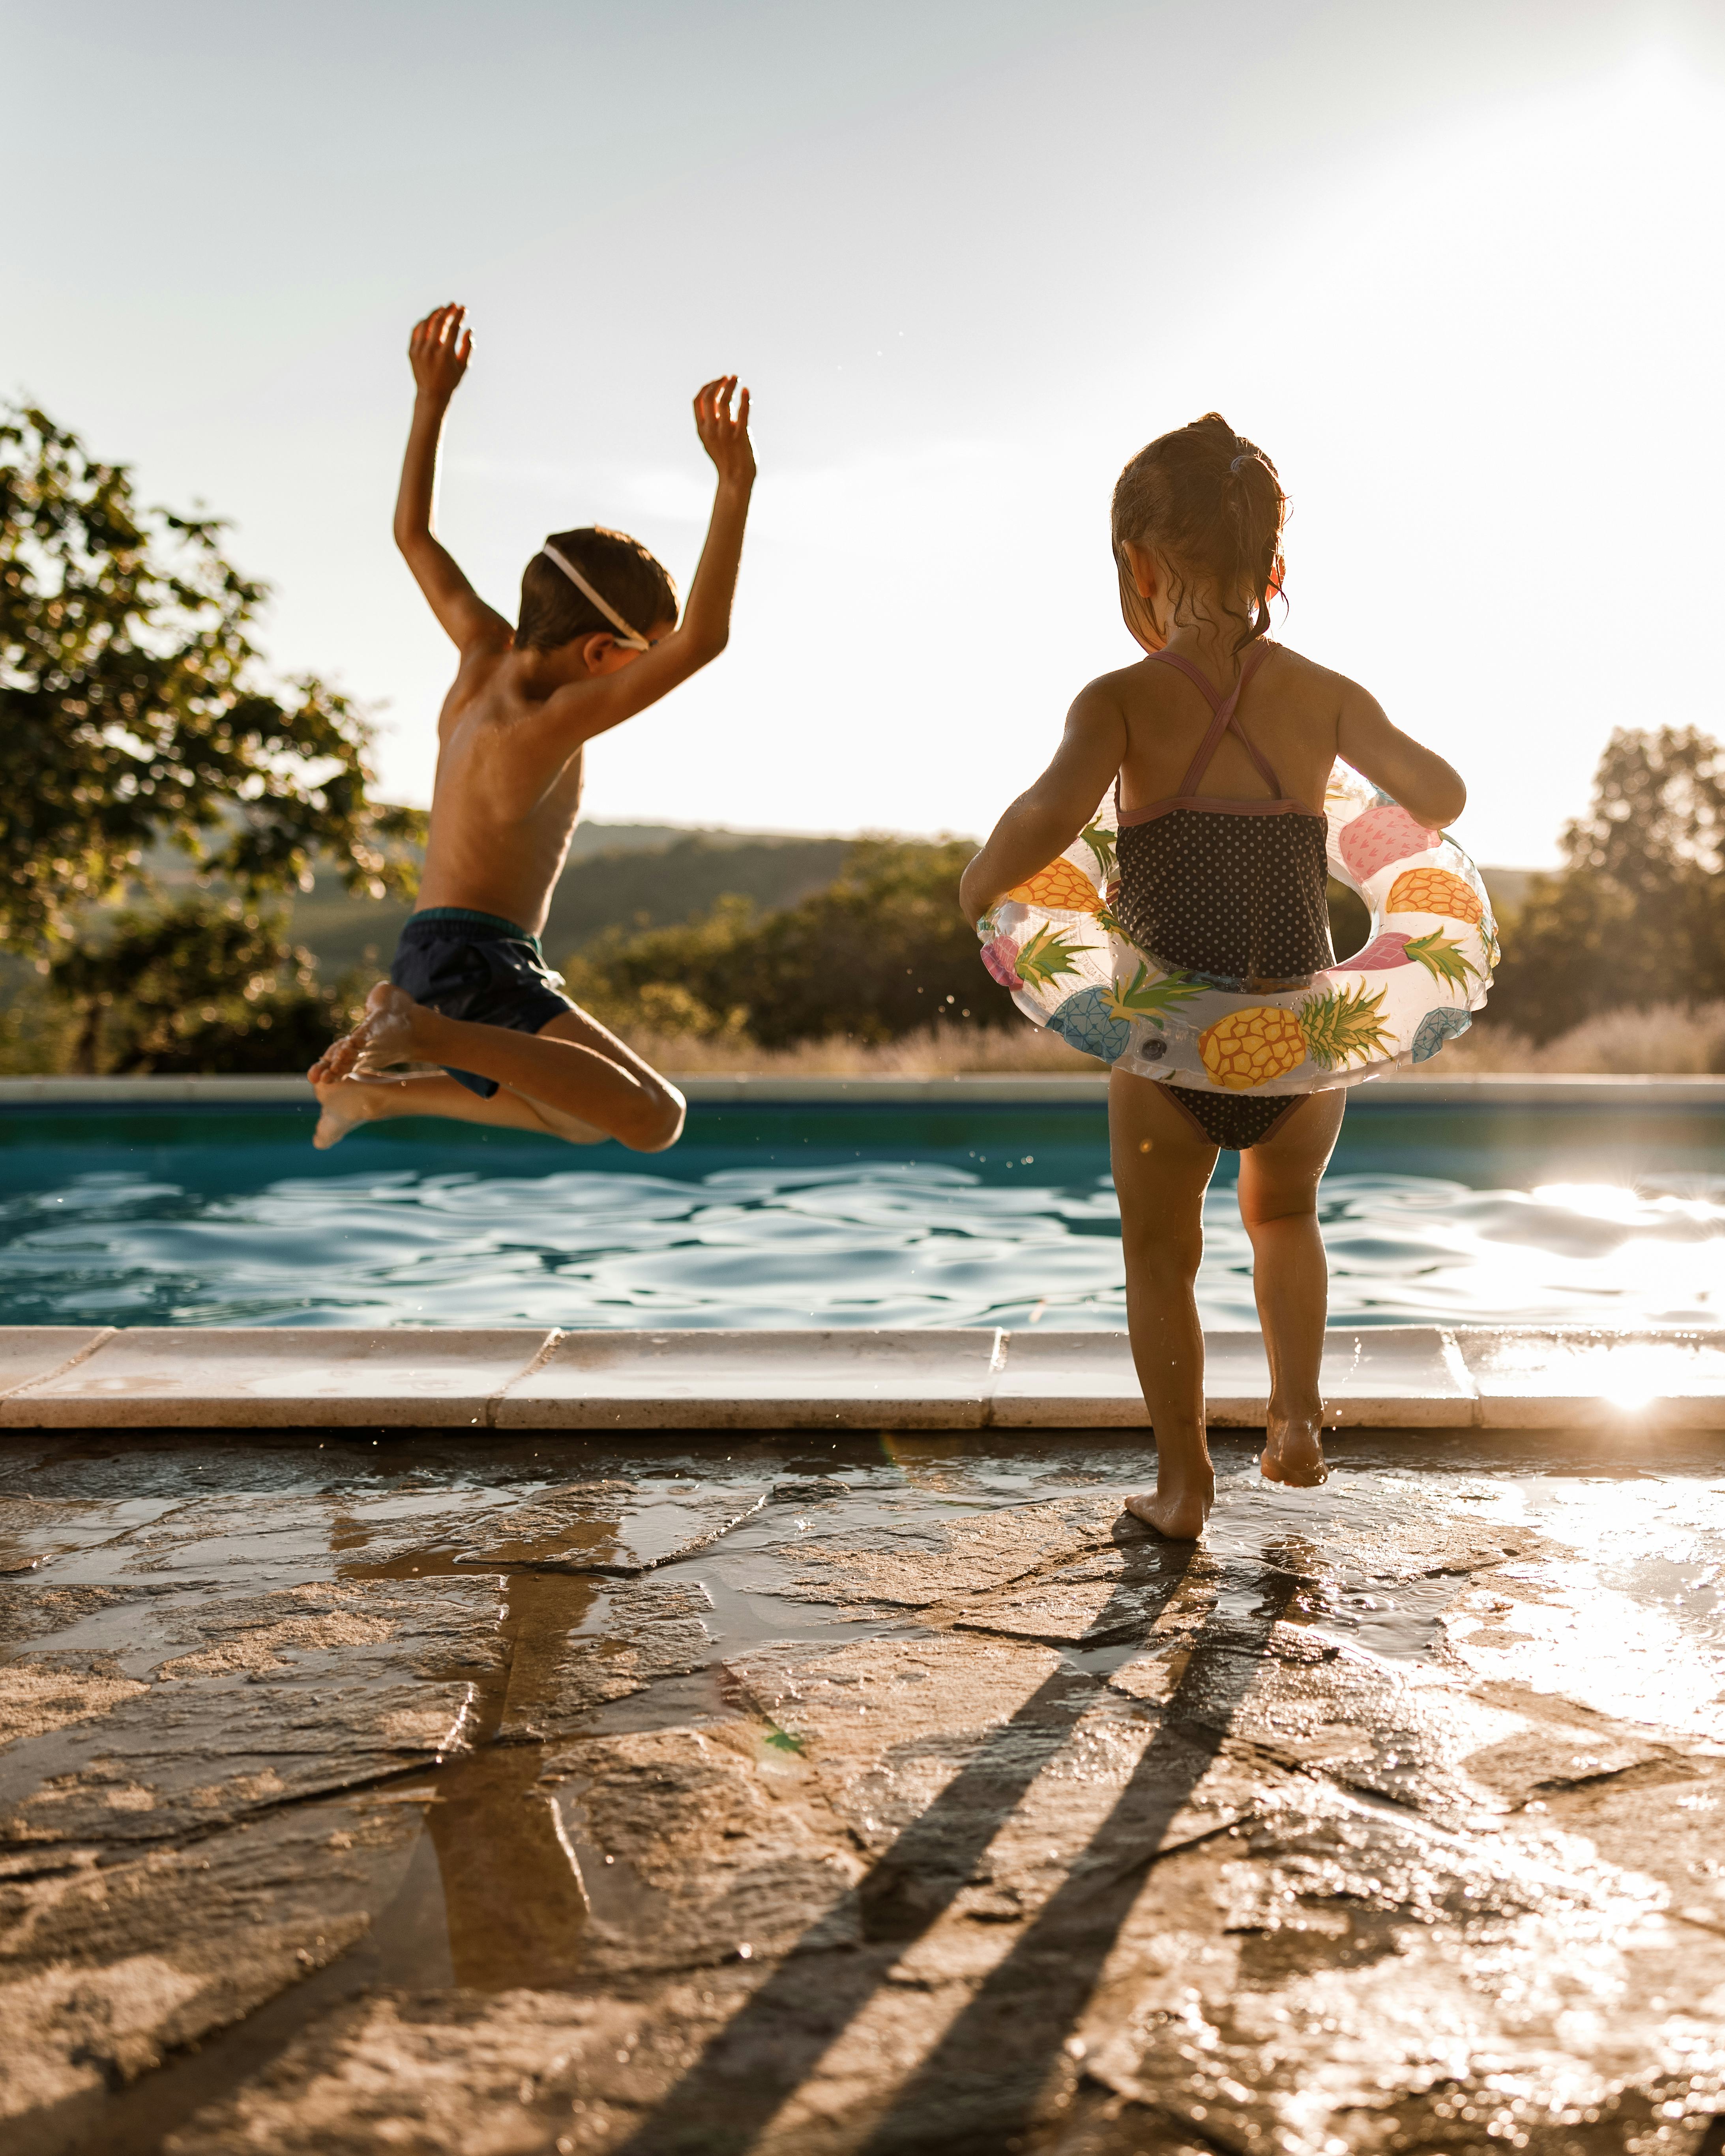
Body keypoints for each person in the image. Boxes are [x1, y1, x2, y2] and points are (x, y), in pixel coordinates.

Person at [959, 414, 1471, 1538]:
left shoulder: (1118, 701)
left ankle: (1183, 1485)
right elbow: (1439, 793)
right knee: (1284, 1216)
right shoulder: (1324, 693)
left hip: (1166, 1049)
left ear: (1138, 567)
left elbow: (1047, 818)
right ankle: (1294, 1422)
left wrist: (978, 891)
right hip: (1302, 1038)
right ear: (1272, 567)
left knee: (1160, 1252)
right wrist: (1363, 801)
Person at [308, 302, 754, 1153]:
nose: (642, 672)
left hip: (440, 946)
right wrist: (734, 486)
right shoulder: (549, 719)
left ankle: (374, 1096)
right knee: (656, 1118)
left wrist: (431, 398)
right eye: (641, 654)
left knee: (582, 1115)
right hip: (475, 954)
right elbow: (704, 639)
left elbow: (413, 534)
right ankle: (418, 1032)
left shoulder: (481, 651)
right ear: (599, 651)